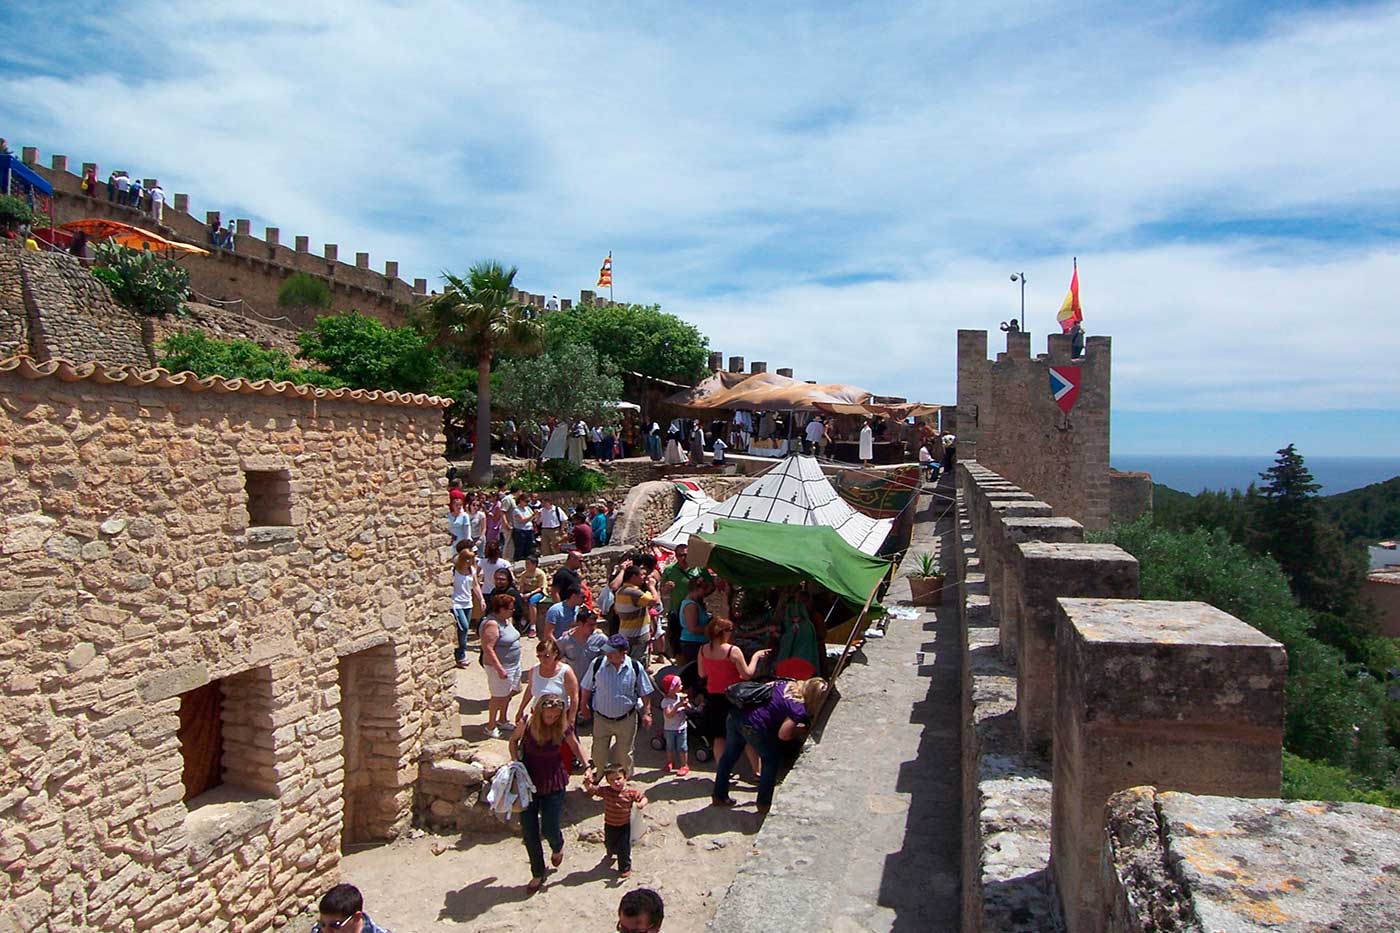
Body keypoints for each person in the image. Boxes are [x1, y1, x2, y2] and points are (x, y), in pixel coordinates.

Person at [712, 678, 829, 813]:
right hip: (754, 726)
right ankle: (763, 804)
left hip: (737, 714)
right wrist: (800, 730)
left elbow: (766, 687)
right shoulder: (798, 709)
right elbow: (783, 734)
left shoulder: (786, 684)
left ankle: (719, 795)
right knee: (770, 761)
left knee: (729, 756)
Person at [508, 695, 570, 893]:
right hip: (528, 783)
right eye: (548, 715)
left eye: (554, 716)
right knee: (529, 831)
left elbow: (575, 745)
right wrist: (514, 761)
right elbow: (513, 740)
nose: (550, 719)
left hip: (553, 782)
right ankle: (537, 872)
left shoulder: (562, 727)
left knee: (550, 827)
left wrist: (587, 766)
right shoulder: (527, 724)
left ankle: (557, 845)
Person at [697, 618, 768, 770]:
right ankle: (757, 771)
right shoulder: (733, 651)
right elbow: (747, 674)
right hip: (735, 697)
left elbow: (702, 673)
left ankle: (722, 771)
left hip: (714, 696)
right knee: (746, 735)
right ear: (724, 632)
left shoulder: (703, 650)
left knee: (719, 736)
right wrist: (756, 657)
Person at [579, 634, 654, 777]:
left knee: (625, 755)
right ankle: (599, 777)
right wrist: (584, 705)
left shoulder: (635, 667)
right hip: (601, 719)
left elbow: (645, 691)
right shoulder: (597, 664)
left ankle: (624, 782)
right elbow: (587, 686)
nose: (608, 655)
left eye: (612, 652)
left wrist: (647, 713)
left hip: (626, 719)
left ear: (623, 652)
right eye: (607, 651)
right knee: (599, 754)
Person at [514, 636, 587, 764]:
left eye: (546, 656)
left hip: (559, 717)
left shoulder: (565, 671)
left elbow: (574, 696)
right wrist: (520, 709)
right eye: (539, 656)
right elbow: (530, 690)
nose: (543, 659)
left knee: (565, 747)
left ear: (555, 654)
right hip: (538, 715)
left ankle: (568, 767)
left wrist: (572, 718)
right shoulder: (534, 670)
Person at [583, 765, 648, 879]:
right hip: (609, 824)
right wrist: (587, 784)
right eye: (612, 780)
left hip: (624, 825)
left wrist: (641, 804)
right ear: (608, 782)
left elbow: (643, 798)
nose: (616, 782)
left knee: (624, 848)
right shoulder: (606, 791)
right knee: (609, 842)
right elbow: (593, 790)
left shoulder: (630, 792)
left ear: (625, 777)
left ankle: (624, 867)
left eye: (618, 778)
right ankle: (611, 850)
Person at [480, 593, 523, 737]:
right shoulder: (492, 624)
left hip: (513, 663)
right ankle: (491, 725)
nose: (513, 610)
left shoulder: (506, 620)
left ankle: (503, 719)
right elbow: (488, 648)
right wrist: (499, 669)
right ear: (501, 609)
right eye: (510, 608)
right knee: (498, 696)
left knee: (513, 690)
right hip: (500, 666)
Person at [612, 564, 659, 665]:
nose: (643, 577)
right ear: (633, 577)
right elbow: (654, 600)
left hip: (624, 634)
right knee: (638, 666)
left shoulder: (619, 592)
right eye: (641, 575)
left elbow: (616, 610)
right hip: (638, 637)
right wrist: (652, 586)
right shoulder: (634, 593)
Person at [450, 541, 483, 669]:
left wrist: (481, 600)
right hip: (456, 603)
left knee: (464, 629)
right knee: (463, 627)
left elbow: (475, 585)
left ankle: (460, 654)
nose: (470, 562)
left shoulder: (472, 570)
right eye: (468, 559)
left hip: (467, 603)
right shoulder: (454, 570)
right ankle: (461, 655)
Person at [774, 588, 823, 676]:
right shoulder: (807, 624)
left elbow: (786, 645)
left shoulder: (799, 626)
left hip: (797, 664)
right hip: (807, 662)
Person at [311, 882, 390, 932]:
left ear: (356, 917)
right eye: (322, 924)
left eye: (335, 925)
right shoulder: (318, 930)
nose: (326, 931)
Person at [659, 673, 691, 775]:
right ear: (672, 688)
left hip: (681, 727)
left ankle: (684, 765)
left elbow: (688, 708)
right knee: (670, 747)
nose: (682, 686)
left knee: (682, 747)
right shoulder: (666, 702)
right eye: (679, 685)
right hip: (669, 728)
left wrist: (687, 705)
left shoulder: (679, 697)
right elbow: (668, 715)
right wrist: (677, 706)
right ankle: (670, 762)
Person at [677, 577, 713, 666]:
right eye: (704, 590)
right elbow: (693, 628)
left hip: (698, 642)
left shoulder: (696, 603)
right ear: (697, 589)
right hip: (693, 644)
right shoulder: (691, 606)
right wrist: (712, 629)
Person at [519, 553, 549, 631]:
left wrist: (530, 594)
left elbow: (541, 587)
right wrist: (521, 594)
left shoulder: (540, 574)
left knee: (532, 601)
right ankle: (523, 618)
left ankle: (533, 625)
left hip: (538, 593)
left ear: (534, 564)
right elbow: (522, 586)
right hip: (527, 592)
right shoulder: (524, 574)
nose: (526, 565)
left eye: (528, 564)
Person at [492, 568, 527, 633]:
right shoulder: (494, 591)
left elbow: (519, 612)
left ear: (508, 580)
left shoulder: (513, 593)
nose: (498, 581)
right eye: (496, 579)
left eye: (502, 579)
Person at [509, 493, 537, 561]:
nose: (528, 503)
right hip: (520, 531)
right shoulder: (516, 510)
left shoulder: (528, 508)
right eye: (526, 501)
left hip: (529, 530)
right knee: (520, 548)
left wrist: (536, 516)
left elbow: (532, 519)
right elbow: (522, 520)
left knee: (529, 548)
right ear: (521, 501)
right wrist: (533, 515)